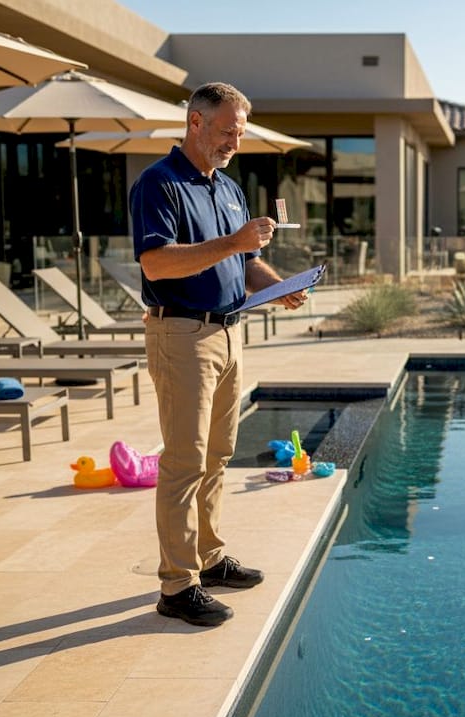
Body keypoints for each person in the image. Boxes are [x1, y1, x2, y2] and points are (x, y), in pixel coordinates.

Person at [130, 82, 306, 627]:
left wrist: (279, 286)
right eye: (228, 130)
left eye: (241, 132)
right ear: (196, 122)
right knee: (185, 461)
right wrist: (235, 242)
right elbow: (156, 263)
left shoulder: (229, 188)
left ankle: (207, 559)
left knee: (217, 456)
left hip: (229, 332)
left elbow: (243, 264)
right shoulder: (159, 183)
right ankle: (177, 585)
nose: (235, 141)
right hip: (182, 334)